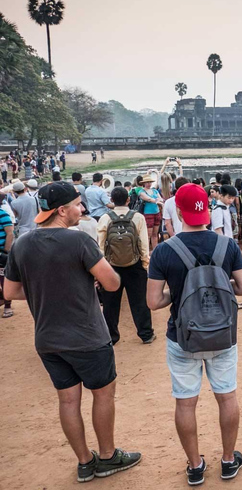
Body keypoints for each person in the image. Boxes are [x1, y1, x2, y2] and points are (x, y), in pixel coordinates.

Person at [3, 182, 142, 482]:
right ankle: (107, 455)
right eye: (78, 204)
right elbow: (112, 283)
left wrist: (45, 291)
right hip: (88, 336)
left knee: (67, 401)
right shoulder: (78, 241)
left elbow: (10, 291)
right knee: (103, 395)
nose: (82, 209)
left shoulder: (23, 244)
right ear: (61, 210)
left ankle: (83, 462)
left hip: (48, 339)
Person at [147, 183, 242, 485]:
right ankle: (229, 460)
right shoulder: (227, 246)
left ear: (178, 211)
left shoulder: (164, 251)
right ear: (206, 209)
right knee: (227, 396)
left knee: (185, 402)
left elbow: (153, 302)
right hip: (222, 334)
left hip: (183, 336)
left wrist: (179, 293)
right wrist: (219, 288)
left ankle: (195, 467)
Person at [97, 186, 154, 344]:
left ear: (112, 201)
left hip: (110, 266)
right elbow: (143, 243)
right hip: (135, 265)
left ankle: (111, 337)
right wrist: (144, 263)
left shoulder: (105, 218)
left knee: (110, 303)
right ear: (128, 200)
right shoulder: (138, 217)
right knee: (139, 301)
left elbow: (100, 246)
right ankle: (146, 334)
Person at [137, 174, 163, 251]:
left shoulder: (154, 190)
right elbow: (148, 199)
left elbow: (160, 198)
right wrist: (157, 201)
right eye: (147, 182)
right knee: (148, 234)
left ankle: (155, 250)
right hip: (148, 214)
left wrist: (159, 201)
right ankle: (146, 252)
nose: (149, 184)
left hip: (156, 213)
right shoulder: (141, 192)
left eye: (150, 182)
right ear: (144, 183)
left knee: (155, 234)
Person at [0, 201, 14, 317]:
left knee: (3, 278)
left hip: (1, 252)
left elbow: (10, 233)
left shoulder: (3, 214)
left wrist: (5, 251)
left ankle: (7, 306)